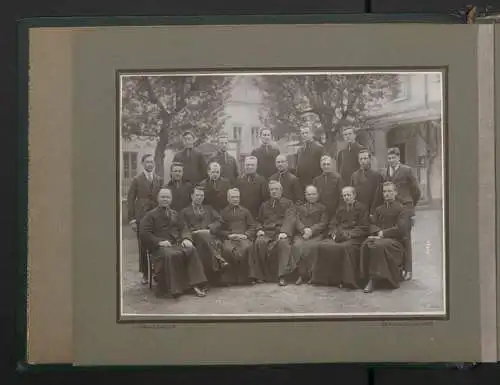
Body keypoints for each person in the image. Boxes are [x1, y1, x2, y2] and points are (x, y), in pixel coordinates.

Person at [139, 188, 207, 298]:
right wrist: (159, 242)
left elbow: (184, 228)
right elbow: (144, 233)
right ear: (158, 199)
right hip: (159, 248)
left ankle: (196, 284)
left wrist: (186, 238)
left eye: (168, 197)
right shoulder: (150, 215)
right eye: (163, 197)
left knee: (191, 250)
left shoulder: (175, 213)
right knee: (171, 255)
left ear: (171, 199)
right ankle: (175, 288)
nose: (165, 199)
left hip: (176, 243)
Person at [311, 186, 369, 289]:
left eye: (349, 195)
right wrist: (334, 234)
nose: (346, 197)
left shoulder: (362, 208)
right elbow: (333, 223)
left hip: (355, 237)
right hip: (340, 235)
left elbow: (364, 226)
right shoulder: (341, 208)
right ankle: (325, 279)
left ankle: (347, 281)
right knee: (322, 245)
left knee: (345, 248)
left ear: (354, 195)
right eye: (344, 195)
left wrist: (349, 235)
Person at [360, 182, 409, 293]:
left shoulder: (402, 209)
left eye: (389, 191)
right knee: (366, 244)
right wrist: (377, 232)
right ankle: (366, 277)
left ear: (395, 193)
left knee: (378, 245)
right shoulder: (379, 209)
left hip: (396, 243)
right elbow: (372, 224)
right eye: (385, 191)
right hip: (380, 239)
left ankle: (374, 279)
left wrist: (383, 234)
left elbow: (401, 228)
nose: (387, 194)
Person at [381, 147, 421, 280]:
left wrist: (410, 206)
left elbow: (416, 190)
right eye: (389, 158)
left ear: (399, 158)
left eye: (393, 158)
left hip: (405, 207)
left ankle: (408, 270)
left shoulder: (407, 170)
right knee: (395, 236)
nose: (391, 160)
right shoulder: (386, 171)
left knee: (405, 238)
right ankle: (396, 269)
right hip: (392, 208)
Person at [180, 186, 229, 286]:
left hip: (208, 236)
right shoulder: (184, 211)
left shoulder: (209, 209)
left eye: (201, 195)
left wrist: (210, 228)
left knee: (206, 234)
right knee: (204, 234)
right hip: (194, 237)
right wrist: (190, 236)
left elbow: (220, 221)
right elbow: (183, 227)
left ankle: (213, 275)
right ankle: (218, 259)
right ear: (192, 196)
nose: (199, 197)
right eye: (197, 195)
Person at [126, 154, 164, 285]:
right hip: (141, 217)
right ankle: (144, 274)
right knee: (143, 245)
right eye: (147, 162)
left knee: (156, 242)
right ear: (142, 164)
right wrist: (131, 219)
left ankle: (156, 271)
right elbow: (130, 199)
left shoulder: (159, 179)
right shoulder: (137, 179)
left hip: (156, 216)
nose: (150, 164)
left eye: (151, 162)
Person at [250, 180, 297, 284]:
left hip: (281, 231)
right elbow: (258, 220)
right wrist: (259, 229)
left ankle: (282, 276)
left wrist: (284, 231)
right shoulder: (264, 205)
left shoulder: (288, 203)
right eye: (272, 190)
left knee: (283, 243)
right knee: (259, 242)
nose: (274, 192)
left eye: (276, 189)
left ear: (281, 190)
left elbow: (291, 218)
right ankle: (260, 275)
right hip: (267, 232)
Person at [217, 188, 257, 285]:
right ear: (228, 198)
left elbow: (252, 226)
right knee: (227, 250)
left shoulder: (245, 211)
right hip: (229, 238)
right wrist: (228, 235)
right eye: (233, 197)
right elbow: (219, 229)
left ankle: (248, 278)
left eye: (237, 197)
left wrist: (246, 235)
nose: (235, 199)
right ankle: (229, 279)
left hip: (243, 237)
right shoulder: (223, 212)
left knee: (248, 247)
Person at [292, 185, 328, 286]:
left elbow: (323, 223)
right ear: (305, 195)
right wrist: (304, 230)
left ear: (317, 195)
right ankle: (301, 274)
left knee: (311, 247)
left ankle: (312, 275)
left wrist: (311, 230)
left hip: (316, 234)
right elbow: (297, 221)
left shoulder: (322, 208)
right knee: (297, 246)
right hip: (302, 234)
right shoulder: (300, 208)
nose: (311, 196)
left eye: (313, 194)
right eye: (309, 194)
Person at [350, 149, 384, 216]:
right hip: (358, 211)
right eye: (361, 159)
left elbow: (378, 196)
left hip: (372, 211)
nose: (363, 161)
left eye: (365, 158)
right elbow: (352, 193)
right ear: (358, 160)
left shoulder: (377, 176)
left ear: (369, 159)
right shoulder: (354, 175)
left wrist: (372, 211)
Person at [234, 156, 269, 220]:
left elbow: (265, 200)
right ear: (244, 166)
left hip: (256, 216)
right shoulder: (239, 180)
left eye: (252, 165)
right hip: (241, 216)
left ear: (256, 166)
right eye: (247, 165)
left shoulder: (262, 180)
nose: (250, 167)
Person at [295, 126, 325, 195]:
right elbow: (298, 166)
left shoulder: (319, 148)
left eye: (306, 133)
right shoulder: (300, 150)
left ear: (311, 134)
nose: (304, 135)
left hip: (314, 182)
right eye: (302, 133)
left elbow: (323, 166)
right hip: (302, 182)